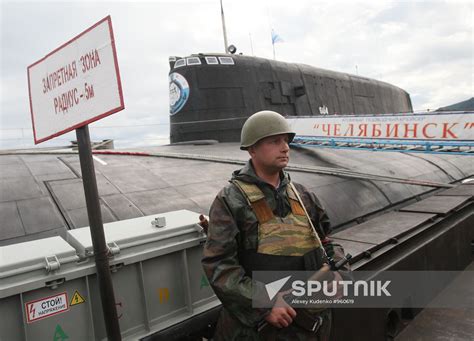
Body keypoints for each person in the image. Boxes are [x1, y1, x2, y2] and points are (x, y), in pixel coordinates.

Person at [202, 110, 351, 340]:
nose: (285, 148)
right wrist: (265, 304)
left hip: (312, 327)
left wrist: (340, 272)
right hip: (260, 332)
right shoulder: (232, 200)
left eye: (286, 141)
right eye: (274, 141)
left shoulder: (303, 195)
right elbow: (220, 267)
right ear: (252, 149)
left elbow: (326, 243)